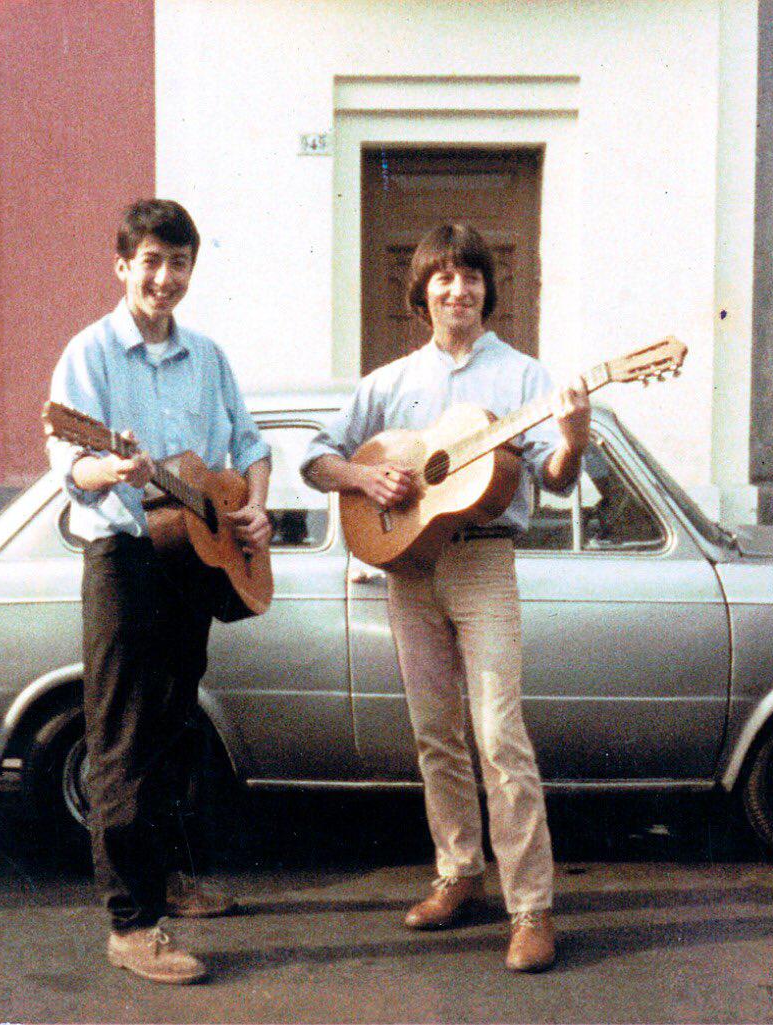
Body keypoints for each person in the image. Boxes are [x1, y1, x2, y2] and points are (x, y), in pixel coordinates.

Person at [301, 223, 590, 972]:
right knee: (434, 730)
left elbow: (553, 480)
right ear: (421, 292)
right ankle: (458, 872)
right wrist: (367, 480)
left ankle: (531, 908)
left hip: (485, 565)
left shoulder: (526, 377)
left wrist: (575, 436)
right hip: (408, 568)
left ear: (488, 290)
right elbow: (314, 458)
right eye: (443, 278)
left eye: (470, 277)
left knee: (499, 735)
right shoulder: (390, 382)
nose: (458, 289)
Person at [47, 199, 272, 985]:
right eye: (150, 261)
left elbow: (248, 445)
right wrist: (114, 466)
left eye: (178, 263)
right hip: (124, 558)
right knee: (123, 738)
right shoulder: (90, 354)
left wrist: (252, 505)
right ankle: (132, 924)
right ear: (122, 266)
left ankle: (170, 880)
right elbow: (69, 464)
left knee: (177, 727)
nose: (164, 278)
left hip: (193, 563)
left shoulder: (207, 356)